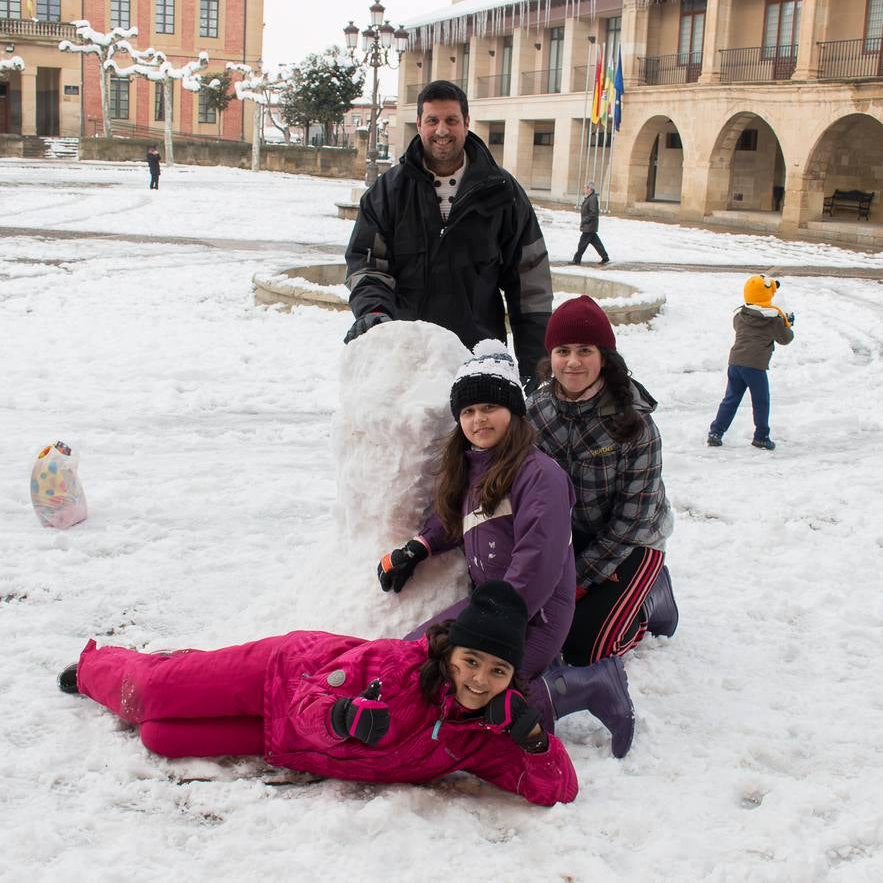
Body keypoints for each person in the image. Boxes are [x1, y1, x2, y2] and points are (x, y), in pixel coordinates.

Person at [57, 580, 578, 807]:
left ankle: (182, 667)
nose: (479, 681)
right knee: (149, 693)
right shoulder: (399, 667)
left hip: (279, 739)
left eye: (497, 670)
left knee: (160, 737)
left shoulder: (481, 735)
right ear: (450, 655)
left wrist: (534, 741)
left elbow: (556, 790)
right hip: (281, 673)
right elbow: (310, 698)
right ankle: (92, 668)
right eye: (470, 662)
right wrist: (343, 717)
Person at [378, 339, 636, 757]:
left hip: (535, 614)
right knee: (411, 657)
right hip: (491, 608)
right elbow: (455, 520)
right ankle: (534, 675)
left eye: (488, 408)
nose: (478, 419)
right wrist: (419, 547)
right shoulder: (474, 464)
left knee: (470, 693)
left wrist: (491, 634)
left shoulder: (540, 476)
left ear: (514, 413)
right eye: (468, 411)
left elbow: (536, 562)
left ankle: (588, 684)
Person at [526, 296, 677, 741]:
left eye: (585, 351)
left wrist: (580, 577)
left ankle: (654, 597)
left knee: (588, 648)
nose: (573, 362)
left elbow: (633, 518)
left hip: (633, 542)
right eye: (563, 351)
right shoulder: (535, 412)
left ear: (604, 357)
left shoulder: (635, 423)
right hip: (569, 542)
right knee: (548, 634)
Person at [343, 80, 553, 387]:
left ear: (466, 123)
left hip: (479, 359)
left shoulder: (502, 192)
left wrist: (536, 371)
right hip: (408, 359)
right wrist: (373, 313)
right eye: (432, 120)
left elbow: (530, 285)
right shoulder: (388, 192)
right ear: (419, 124)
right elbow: (367, 264)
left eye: (451, 120)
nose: (442, 130)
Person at [707, 274, 795, 451]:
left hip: (735, 363)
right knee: (761, 401)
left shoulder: (739, 316)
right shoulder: (773, 319)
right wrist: (788, 324)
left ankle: (716, 432)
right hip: (755, 366)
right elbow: (785, 339)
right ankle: (761, 436)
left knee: (731, 399)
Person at [570, 182, 609, 266]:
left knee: (582, 244)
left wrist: (585, 220)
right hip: (589, 226)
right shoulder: (590, 198)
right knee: (596, 243)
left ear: (590, 189)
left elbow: (593, 213)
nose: (584, 189)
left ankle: (577, 259)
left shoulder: (592, 199)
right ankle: (605, 257)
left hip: (589, 226)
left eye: (585, 188)